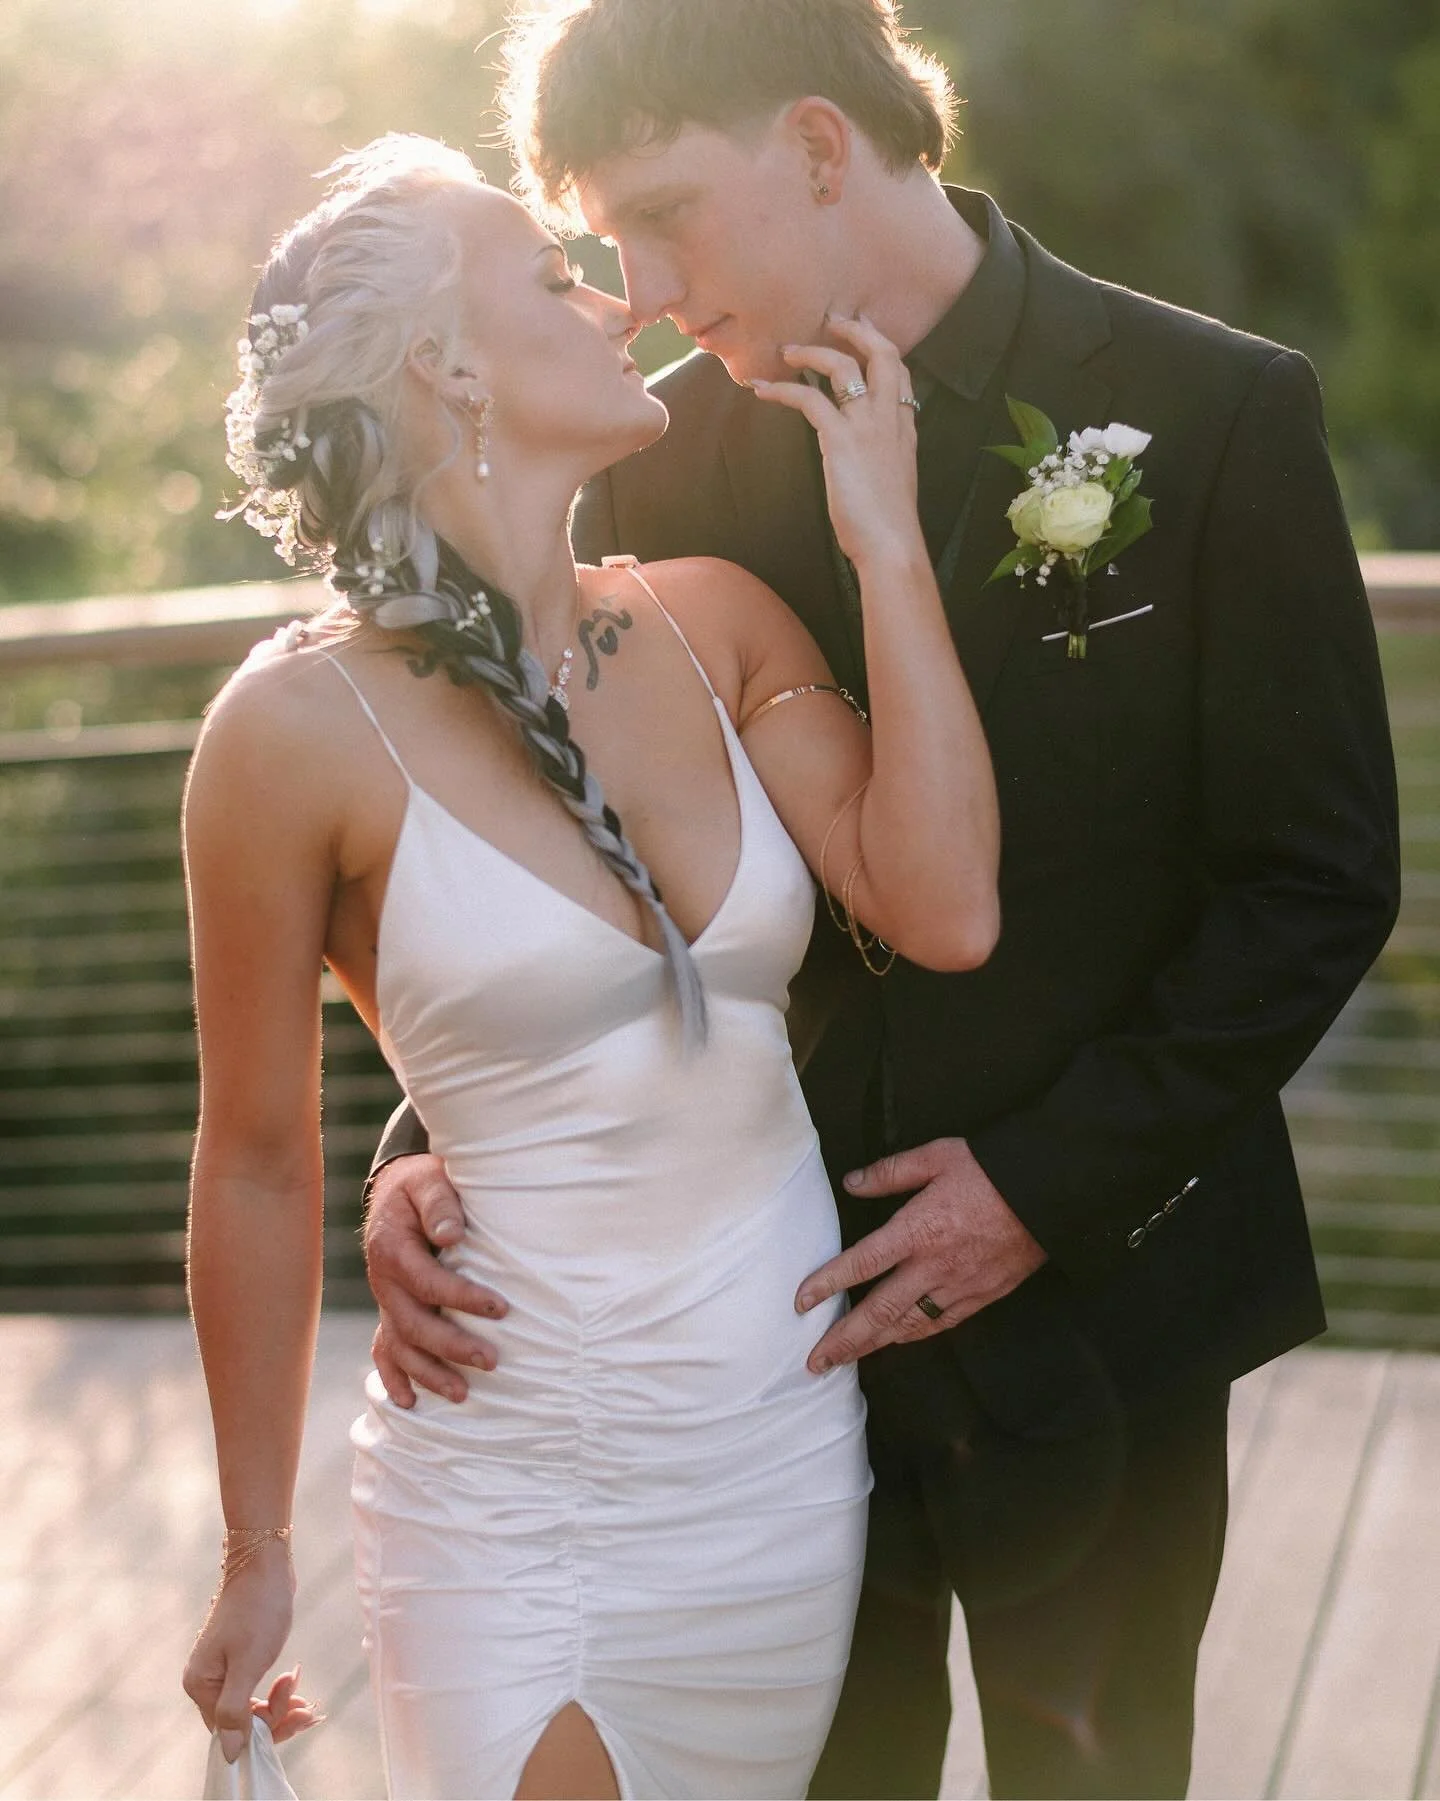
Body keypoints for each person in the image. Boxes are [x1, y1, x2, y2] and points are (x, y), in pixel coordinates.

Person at [363, 2, 1403, 1796]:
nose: (644, 280)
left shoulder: (1218, 410)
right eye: (607, 236)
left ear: (824, 148)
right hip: (754, 1342)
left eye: (669, 211)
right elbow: (551, 843)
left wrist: (1039, 1191)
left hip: (1113, 1306)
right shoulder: (644, 456)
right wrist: (425, 1151)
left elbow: (1314, 883)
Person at [179, 130, 1002, 1801]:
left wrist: (886, 543)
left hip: (774, 1463)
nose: (622, 303)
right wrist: (252, 1545)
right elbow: (258, 1160)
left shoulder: (718, 622)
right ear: (446, 370)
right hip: (513, 1481)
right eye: (556, 277)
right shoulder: (284, 739)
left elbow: (945, 908)